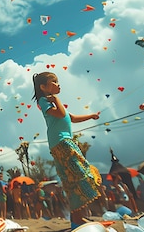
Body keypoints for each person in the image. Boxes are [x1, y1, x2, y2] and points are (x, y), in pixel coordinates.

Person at [31, 72, 101, 230]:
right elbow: (61, 114)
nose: (58, 84)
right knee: (78, 178)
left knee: (75, 180)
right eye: (53, 82)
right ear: (43, 87)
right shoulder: (45, 101)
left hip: (65, 142)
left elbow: (72, 118)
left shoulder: (53, 102)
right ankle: (77, 219)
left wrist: (91, 115)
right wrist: (56, 99)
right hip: (61, 143)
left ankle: (77, 219)